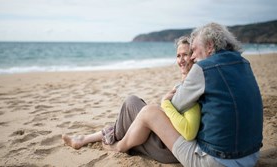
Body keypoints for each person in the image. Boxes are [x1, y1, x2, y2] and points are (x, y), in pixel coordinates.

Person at [102, 22, 263, 167]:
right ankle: (109, 134)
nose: (192, 56)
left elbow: (176, 105)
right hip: (251, 156)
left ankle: (118, 146)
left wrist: (165, 101)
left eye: (193, 50)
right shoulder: (244, 63)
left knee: (150, 111)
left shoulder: (204, 68)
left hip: (218, 161)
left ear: (209, 46)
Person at [62, 36, 200, 163]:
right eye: (178, 56)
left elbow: (186, 129)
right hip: (163, 136)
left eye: (185, 55)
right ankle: (87, 138)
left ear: (193, 57)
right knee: (132, 103)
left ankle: (95, 140)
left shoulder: (192, 87)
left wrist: (165, 105)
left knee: (132, 112)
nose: (181, 60)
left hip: (169, 147)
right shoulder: (182, 84)